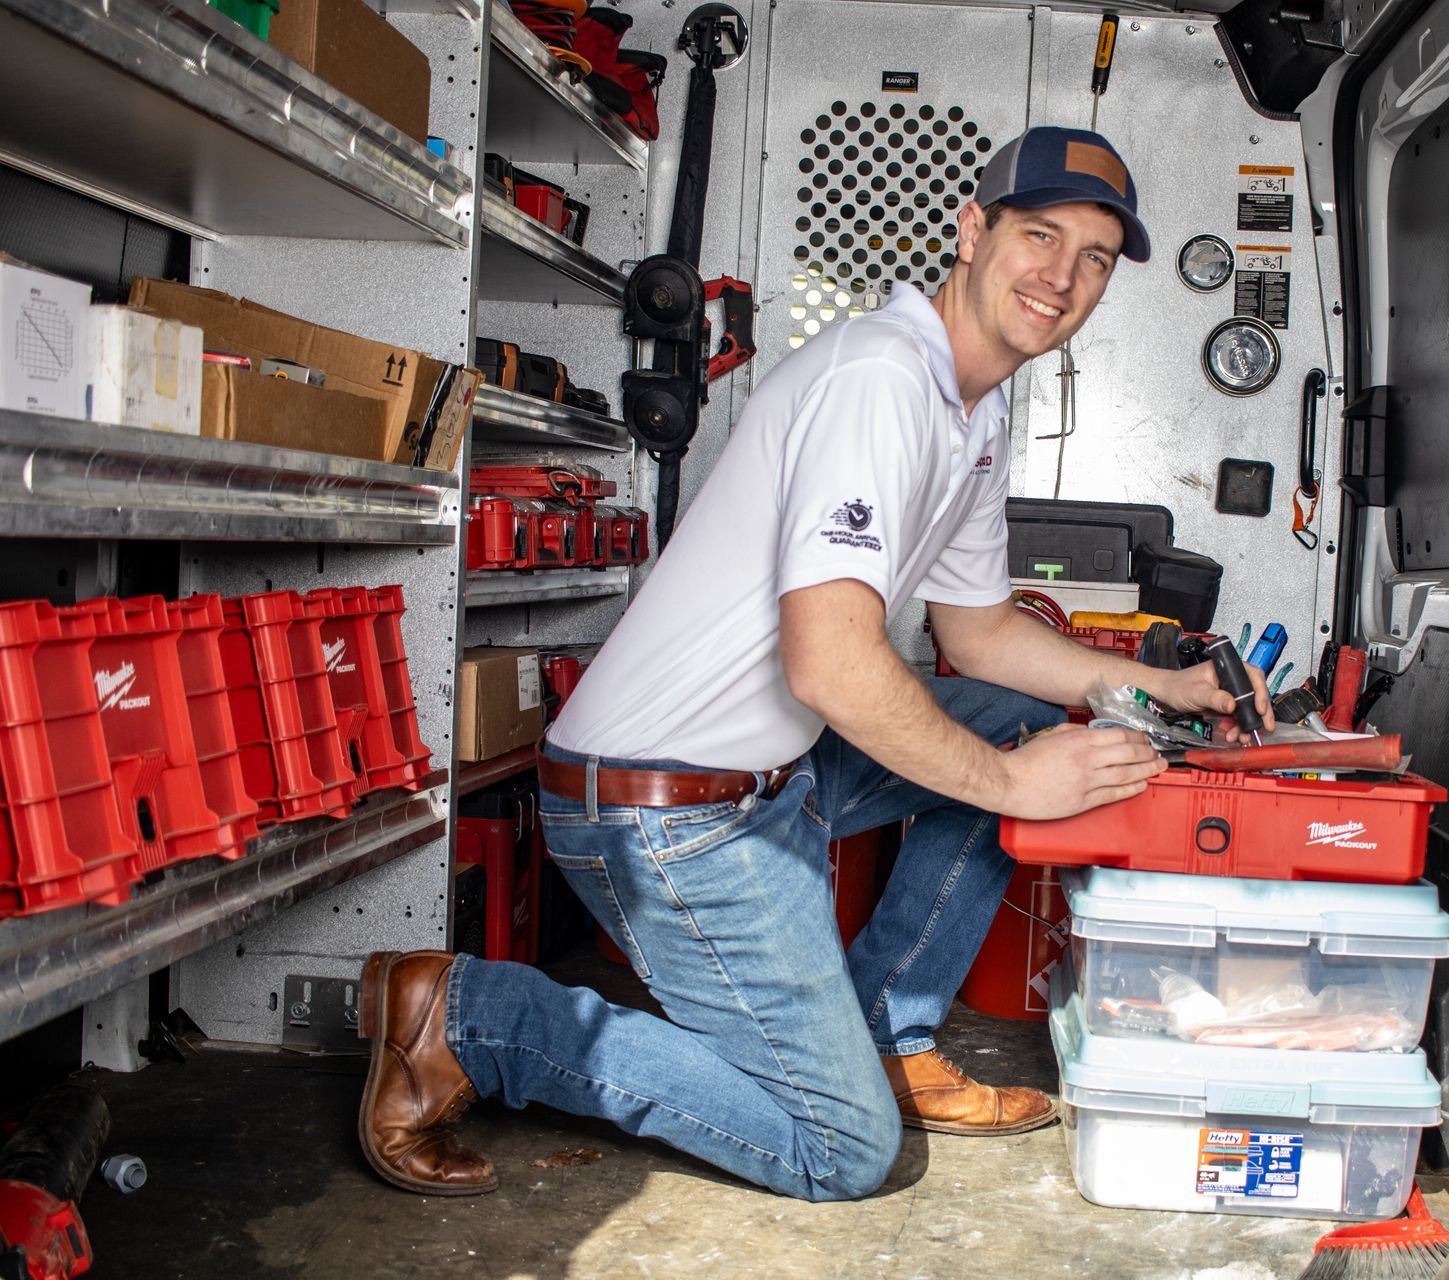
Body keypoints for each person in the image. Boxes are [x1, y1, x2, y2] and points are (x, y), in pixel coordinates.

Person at [355, 126, 1272, 1202]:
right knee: (841, 1148)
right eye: (1039, 234)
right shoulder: (881, 378)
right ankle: (466, 1018)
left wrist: (1158, 689)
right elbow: (831, 663)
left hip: (768, 775)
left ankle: (885, 1031)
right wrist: (1019, 783)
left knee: (1021, 718)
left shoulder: (972, 403)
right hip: (662, 813)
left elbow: (976, 635)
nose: (1062, 277)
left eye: (1096, 259)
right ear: (972, 231)